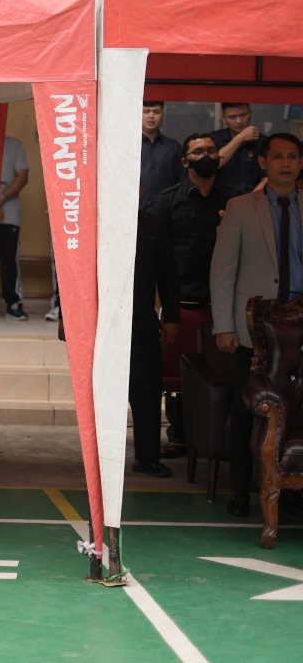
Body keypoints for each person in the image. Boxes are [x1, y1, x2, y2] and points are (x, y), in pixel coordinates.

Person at [210, 132, 303, 517]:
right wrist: (223, 325)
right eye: (278, 156)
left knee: (296, 409)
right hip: (253, 328)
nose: (286, 163)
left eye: (292, 156)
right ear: (263, 162)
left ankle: (291, 489)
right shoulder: (240, 207)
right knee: (246, 407)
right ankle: (240, 489)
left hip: (299, 327)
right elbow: (222, 270)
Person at [152, 133, 235, 458]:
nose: (207, 155)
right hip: (180, 302)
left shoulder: (234, 200)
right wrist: (159, 305)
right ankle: (179, 436)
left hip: (222, 305)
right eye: (199, 151)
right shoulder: (168, 200)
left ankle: (215, 438)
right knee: (178, 375)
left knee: (220, 374)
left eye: (212, 150)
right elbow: (157, 256)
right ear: (185, 160)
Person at [129, 211, 180, 478]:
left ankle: (147, 458)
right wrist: (66, 313)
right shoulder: (94, 220)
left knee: (147, 390)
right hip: (102, 323)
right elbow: (73, 268)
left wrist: (171, 317)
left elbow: (168, 274)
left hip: (142, 320)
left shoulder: (151, 225)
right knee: (101, 393)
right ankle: (99, 457)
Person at [0, 135, 30, 320]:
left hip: (8, 215)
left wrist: (0, 199)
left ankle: (13, 303)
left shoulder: (14, 145)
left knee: (9, 260)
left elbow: (22, 177)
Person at [212, 102, 265, 196]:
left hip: (253, 198)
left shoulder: (263, 142)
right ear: (224, 118)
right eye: (232, 117)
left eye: (243, 115)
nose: (239, 121)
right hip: (219, 198)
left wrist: (250, 200)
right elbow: (212, 164)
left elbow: (267, 178)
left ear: (250, 113)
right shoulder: (214, 139)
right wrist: (240, 138)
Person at [139, 101, 183, 213]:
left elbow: (182, 181)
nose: (151, 116)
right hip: (135, 211)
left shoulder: (173, 147)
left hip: (167, 211)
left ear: (163, 115)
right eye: (146, 111)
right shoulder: (130, 147)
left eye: (156, 112)